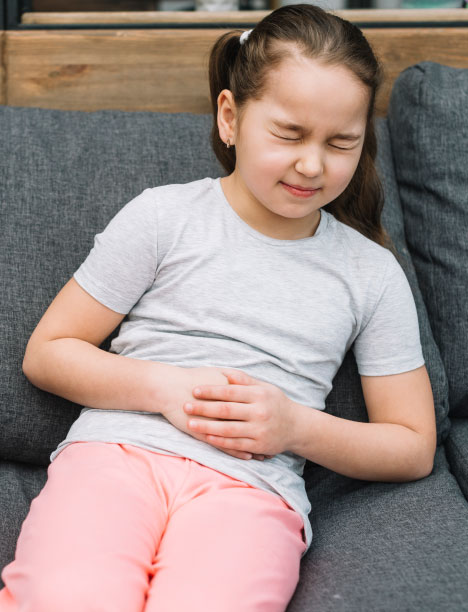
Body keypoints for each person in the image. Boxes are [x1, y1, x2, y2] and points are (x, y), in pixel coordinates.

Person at [0, 4, 436, 611]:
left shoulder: (369, 272)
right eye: (288, 134)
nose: (313, 164)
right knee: (68, 596)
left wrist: (293, 427)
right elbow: (47, 353)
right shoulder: (164, 217)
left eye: (342, 143)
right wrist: (168, 390)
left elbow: (413, 445)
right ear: (230, 117)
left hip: (251, 488)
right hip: (114, 457)